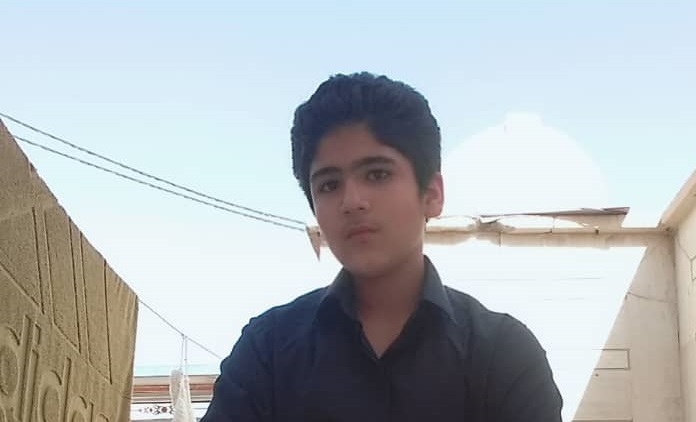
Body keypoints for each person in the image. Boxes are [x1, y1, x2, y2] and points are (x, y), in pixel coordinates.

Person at [202, 72, 563, 421]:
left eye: (377, 174)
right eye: (329, 185)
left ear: (432, 194)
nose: (352, 201)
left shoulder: (503, 354)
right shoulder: (267, 352)